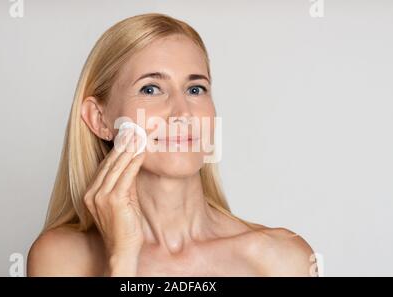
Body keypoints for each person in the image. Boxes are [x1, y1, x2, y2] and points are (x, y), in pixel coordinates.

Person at [27, 13, 317, 277]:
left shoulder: (283, 259)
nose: (182, 113)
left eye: (195, 89)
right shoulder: (60, 259)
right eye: (151, 89)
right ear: (99, 118)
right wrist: (122, 258)